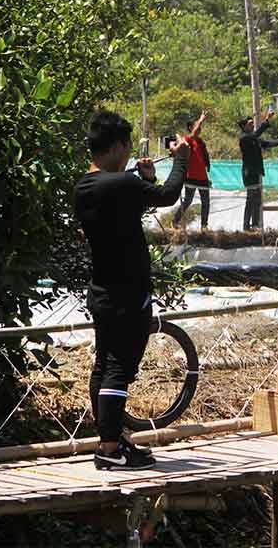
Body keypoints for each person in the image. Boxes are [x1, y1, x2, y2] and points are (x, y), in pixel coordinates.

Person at [73, 111, 189, 470]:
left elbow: (128, 204)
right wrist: (182, 159)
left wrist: (144, 179)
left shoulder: (85, 187)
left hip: (103, 290)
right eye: (126, 146)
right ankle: (109, 449)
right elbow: (168, 196)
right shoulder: (122, 185)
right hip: (128, 293)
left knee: (104, 366)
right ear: (120, 145)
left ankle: (111, 439)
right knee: (119, 370)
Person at [238, 106, 278, 232]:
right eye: (250, 124)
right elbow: (256, 134)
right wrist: (266, 120)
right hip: (249, 174)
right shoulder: (244, 138)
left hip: (256, 173)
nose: (252, 126)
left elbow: (267, 143)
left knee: (257, 200)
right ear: (244, 127)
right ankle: (246, 226)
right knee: (250, 199)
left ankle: (255, 225)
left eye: (252, 124)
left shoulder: (254, 138)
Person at [171, 110, 211, 230]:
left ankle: (204, 226)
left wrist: (207, 164)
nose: (199, 128)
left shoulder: (200, 141)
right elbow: (194, 133)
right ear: (190, 128)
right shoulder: (186, 139)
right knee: (188, 200)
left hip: (202, 177)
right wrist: (201, 119)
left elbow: (204, 156)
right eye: (196, 125)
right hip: (191, 176)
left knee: (206, 202)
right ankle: (174, 221)